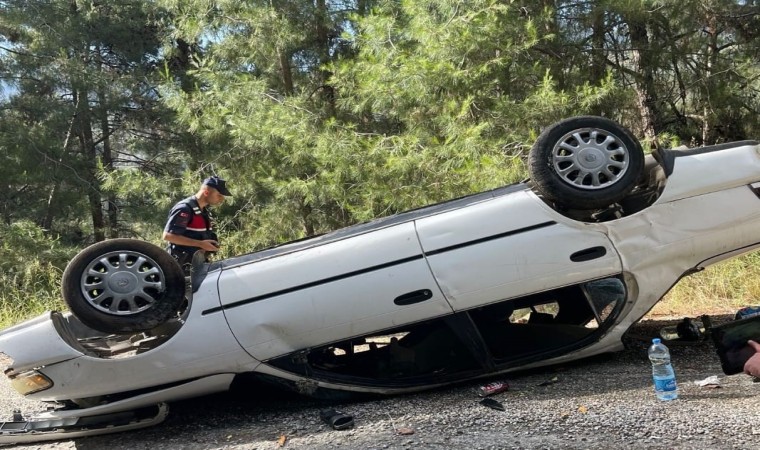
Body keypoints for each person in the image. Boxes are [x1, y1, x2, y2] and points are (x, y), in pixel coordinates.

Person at [163, 176, 232, 274]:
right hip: (181, 268)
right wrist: (200, 244)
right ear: (206, 192)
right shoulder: (184, 209)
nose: (222, 199)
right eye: (219, 195)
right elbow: (168, 236)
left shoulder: (203, 210)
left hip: (197, 265)